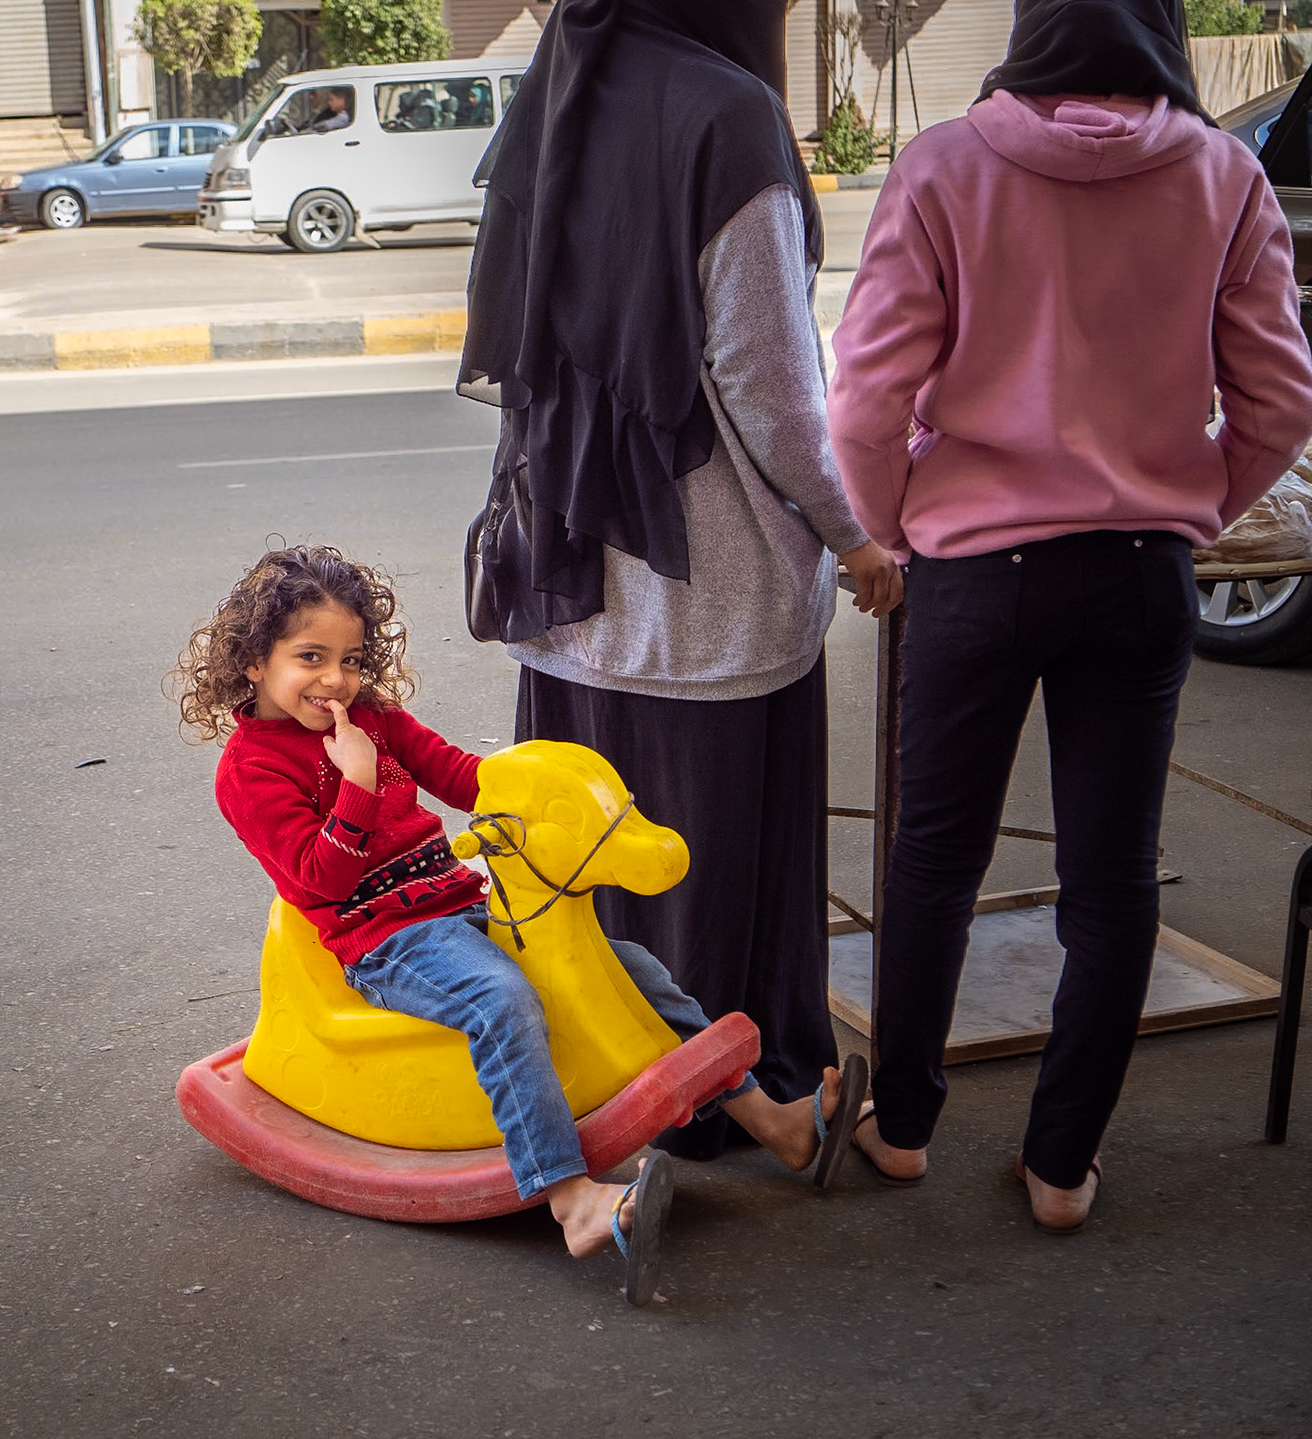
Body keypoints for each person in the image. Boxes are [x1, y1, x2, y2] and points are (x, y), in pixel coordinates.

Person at [827, 0, 1312, 1233]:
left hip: (975, 572)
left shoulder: (942, 164)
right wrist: (1197, 502)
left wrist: (897, 525)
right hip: (1138, 569)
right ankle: (1061, 1167)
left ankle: (903, 1127)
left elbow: (864, 402)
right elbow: (1284, 399)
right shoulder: (1225, 172)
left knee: (937, 855)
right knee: (1112, 872)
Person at [175, 545, 868, 1304]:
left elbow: (463, 776)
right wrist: (360, 784)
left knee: (632, 967)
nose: (334, 679)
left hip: (459, 898)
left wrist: (550, 790)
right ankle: (570, 1197)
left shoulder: (371, 715)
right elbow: (319, 876)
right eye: (309, 657)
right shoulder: (249, 768)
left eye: (348, 657)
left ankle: (776, 1122)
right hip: (382, 941)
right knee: (499, 999)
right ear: (252, 663)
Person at [458, 0, 903, 1160]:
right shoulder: (731, 117)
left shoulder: (560, 90)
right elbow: (770, 383)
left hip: (568, 578)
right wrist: (854, 535)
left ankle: (602, 1089)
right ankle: (715, 1100)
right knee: (699, 865)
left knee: (579, 872)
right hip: (705, 596)